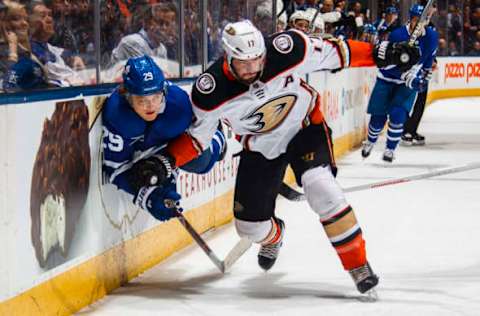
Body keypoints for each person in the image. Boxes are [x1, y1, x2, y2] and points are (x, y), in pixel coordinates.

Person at [147, 20, 419, 294]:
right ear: (228, 58)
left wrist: (383, 54)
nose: (253, 68)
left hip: (304, 128)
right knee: (250, 229)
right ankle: (275, 234)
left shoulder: (286, 49)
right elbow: (198, 139)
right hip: (261, 148)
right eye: (244, 63)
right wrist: (166, 161)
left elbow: (337, 52)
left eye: (258, 59)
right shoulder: (211, 90)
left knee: (322, 188)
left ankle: (358, 266)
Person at [102, 55, 226, 222]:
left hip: (181, 139)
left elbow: (192, 140)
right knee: (143, 172)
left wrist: (167, 180)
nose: (151, 106)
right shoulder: (118, 115)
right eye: (142, 100)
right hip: (150, 149)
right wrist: (149, 196)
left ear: (163, 91)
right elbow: (115, 169)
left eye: (156, 97)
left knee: (202, 162)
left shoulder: (178, 106)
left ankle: (218, 139)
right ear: (127, 96)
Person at [361, 4, 438, 162]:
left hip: (407, 83)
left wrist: (424, 76)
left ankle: (390, 149)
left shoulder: (431, 36)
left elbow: (429, 58)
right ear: (411, 19)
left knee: (398, 115)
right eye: (417, 20)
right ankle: (370, 141)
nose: (419, 24)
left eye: (423, 20)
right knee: (378, 118)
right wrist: (407, 76)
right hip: (387, 79)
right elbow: (387, 63)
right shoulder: (397, 35)